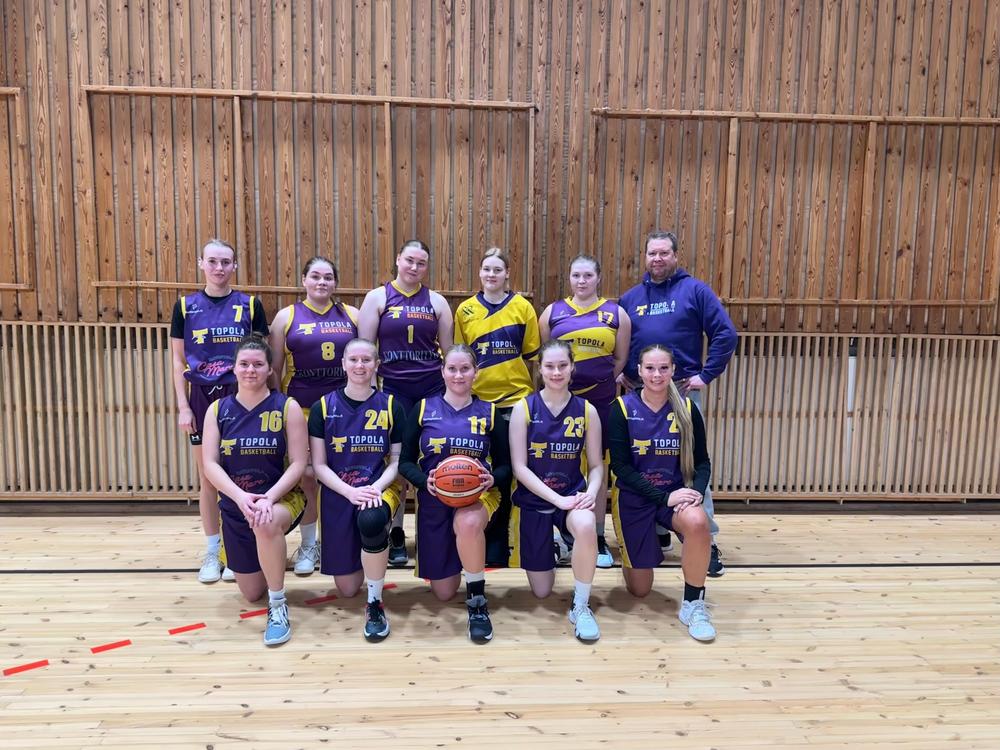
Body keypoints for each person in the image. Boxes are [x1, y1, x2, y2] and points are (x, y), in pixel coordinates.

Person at [618, 231, 737, 577]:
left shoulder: (695, 291)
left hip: (680, 392)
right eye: (652, 253)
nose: (657, 259)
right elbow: (618, 341)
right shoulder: (630, 298)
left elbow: (726, 334)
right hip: (639, 394)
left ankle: (704, 540)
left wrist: (706, 375)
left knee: (686, 464)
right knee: (645, 462)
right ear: (645, 257)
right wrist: (621, 371)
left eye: (664, 253)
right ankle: (658, 528)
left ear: (675, 256)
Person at [170, 239, 269, 584]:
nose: (219, 268)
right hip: (201, 396)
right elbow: (177, 360)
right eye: (212, 261)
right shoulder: (185, 307)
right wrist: (183, 406)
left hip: (242, 395)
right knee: (208, 477)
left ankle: (236, 550)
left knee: (243, 475)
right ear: (201, 263)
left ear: (234, 266)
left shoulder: (250, 305)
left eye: (226, 262)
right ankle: (213, 550)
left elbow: (261, 357)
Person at [398, 345, 511, 643]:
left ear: (476, 372)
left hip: (479, 495)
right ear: (442, 371)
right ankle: (463, 558)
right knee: (444, 593)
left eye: (465, 369)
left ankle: (477, 600)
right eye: (452, 369)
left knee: (468, 523)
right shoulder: (423, 409)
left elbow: (506, 466)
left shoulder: (490, 412)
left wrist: (492, 478)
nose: (458, 375)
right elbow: (405, 462)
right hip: (435, 496)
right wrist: (424, 481)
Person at [201, 334, 308, 646]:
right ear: (233, 368)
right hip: (238, 503)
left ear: (270, 369)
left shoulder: (287, 407)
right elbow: (210, 464)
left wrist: (269, 498)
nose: (251, 370)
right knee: (251, 593)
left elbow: (299, 463)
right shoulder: (217, 410)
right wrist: (240, 497)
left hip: (281, 499)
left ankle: (278, 606)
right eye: (244, 364)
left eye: (258, 364)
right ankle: (259, 553)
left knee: (266, 521)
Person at [609, 344, 715, 642]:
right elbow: (620, 467)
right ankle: (633, 556)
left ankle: (693, 603)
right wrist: (663, 497)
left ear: (673, 371)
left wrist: (695, 491)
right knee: (640, 590)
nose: (657, 375)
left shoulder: (687, 409)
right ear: (639, 371)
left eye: (664, 368)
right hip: (634, 498)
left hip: (674, 496)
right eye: (650, 368)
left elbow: (702, 461)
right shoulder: (621, 409)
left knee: (698, 522)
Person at [359, 240, 454, 567]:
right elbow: (365, 351)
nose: (414, 267)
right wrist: (372, 394)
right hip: (394, 390)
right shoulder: (378, 297)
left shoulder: (437, 302)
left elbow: (449, 354)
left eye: (421, 263)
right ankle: (397, 531)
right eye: (409, 260)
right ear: (398, 259)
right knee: (397, 461)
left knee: (431, 458)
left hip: (431, 390)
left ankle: (432, 531)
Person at [309, 338, 406, 642]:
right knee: (347, 588)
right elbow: (319, 466)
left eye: (366, 360)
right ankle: (368, 556)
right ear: (343, 364)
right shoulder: (322, 407)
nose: (360, 366)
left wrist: (375, 487)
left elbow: (397, 462)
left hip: (378, 488)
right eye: (353, 360)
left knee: (371, 520)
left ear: (377, 365)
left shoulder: (392, 405)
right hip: (339, 490)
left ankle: (375, 601)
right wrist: (350, 492)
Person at [508, 340, 604, 641]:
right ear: (540, 369)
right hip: (534, 501)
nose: (556, 372)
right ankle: (556, 545)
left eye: (563, 365)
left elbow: (596, 465)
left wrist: (591, 492)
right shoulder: (523, 408)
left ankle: (581, 605)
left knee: (586, 525)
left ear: (572, 367)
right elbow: (520, 468)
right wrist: (557, 500)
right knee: (541, 591)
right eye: (549, 366)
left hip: (572, 496)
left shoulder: (587, 411)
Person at [539, 255, 630, 568]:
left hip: (600, 403)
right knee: (552, 462)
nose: (582, 281)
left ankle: (598, 534)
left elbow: (620, 359)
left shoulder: (616, 314)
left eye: (588, 275)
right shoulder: (552, 312)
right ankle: (555, 534)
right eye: (576, 275)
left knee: (597, 466)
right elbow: (545, 357)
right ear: (569, 277)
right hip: (559, 403)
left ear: (598, 278)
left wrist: (598, 380)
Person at [270, 256, 359, 576]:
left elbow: (365, 360)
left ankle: (338, 540)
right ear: (304, 280)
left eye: (328, 277)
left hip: (344, 411)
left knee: (343, 476)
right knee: (307, 475)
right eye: (316, 276)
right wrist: (280, 408)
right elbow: (274, 368)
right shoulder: (286, 316)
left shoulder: (352, 315)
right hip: (302, 407)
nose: (322, 282)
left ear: (336, 282)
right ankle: (309, 543)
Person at [455, 248, 540, 566]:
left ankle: (514, 543)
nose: (491, 275)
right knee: (483, 473)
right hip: (478, 404)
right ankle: (486, 539)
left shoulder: (523, 308)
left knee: (514, 473)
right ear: (480, 273)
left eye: (497, 270)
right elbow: (461, 358)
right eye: (486, 269)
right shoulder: (465, 310)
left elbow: (532, 355)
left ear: (507, 274)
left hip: (515, 401)